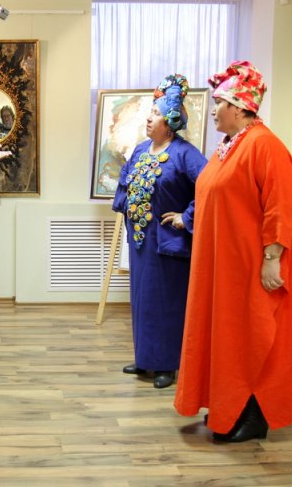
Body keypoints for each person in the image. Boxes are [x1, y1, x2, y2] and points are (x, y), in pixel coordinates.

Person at [173, 61, 292, 443]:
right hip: (221, 264)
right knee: (225, 335)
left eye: (219, 103)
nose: (213, 109)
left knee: (251, 335)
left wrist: (272, 259)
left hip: (249, 263)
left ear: (241, 107)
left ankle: (254, 414)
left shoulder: (265, 146)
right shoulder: (229, 145)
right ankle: (226, 404)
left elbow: (280, 206)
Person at [112, 74, 208, 389]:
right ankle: (145, 359)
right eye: (149, 113)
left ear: (170, 121)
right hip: (142, 242)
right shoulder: (141, 150)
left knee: (167, 302)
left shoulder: (185, 154)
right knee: (142, 300)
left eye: (155, 114)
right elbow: (126, 182)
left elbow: (210, 188)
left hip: (168, 243)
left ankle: (167, 363)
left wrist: (186, 217)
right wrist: (128, 209)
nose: (149, 119)